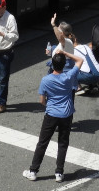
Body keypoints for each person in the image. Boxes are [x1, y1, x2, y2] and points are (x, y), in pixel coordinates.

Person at [23, 46, 86, 182]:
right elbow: (80, 60)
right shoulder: (69, 76)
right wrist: (65, 52)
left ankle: (33, 170)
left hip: (51, 114)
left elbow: (42, 101)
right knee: (63, 143)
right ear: (64, 65)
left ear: (52, 64)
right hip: (67, 114)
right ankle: (59, 172)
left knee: (42, 143)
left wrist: (49, 105)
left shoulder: (46, 80)